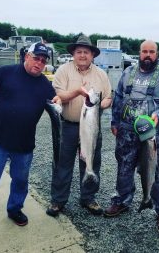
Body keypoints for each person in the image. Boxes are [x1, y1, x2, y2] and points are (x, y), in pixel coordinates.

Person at [0, 42, 61, 242]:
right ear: (27, 56)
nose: (39, 63)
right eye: (36, 58)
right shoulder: (6, 72)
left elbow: (55, 101)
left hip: (24, 145)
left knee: (20, 182)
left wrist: (59, 101)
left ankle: (14, 209)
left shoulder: (44, 84)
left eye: (43, 61)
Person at [104, 40, 159, 233]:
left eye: (151, 52)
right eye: (144, 51)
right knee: (124, 166)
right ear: (139, 53)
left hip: (154, 133)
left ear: (157, 54)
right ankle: (121, 200)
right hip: (127, 132)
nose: (147, 55)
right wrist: (114, 122)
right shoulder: (128, 73)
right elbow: (119, 97)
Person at [46, 34, 112, 217]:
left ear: (92, 55)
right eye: (79, 52)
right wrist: (77, 93)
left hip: (92, 127)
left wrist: (101, 103)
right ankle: (58, 200)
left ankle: (88, 198)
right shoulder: (63, 71)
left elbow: (108, 97)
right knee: (62, 164)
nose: (82, 55)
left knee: (91, 161)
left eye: (86, 52)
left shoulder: (101, 74)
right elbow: (59, 95)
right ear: (73, 54)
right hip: (67, 126)